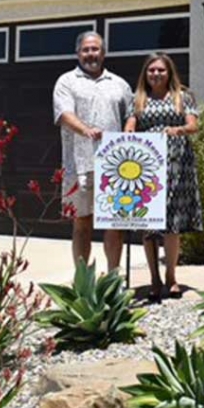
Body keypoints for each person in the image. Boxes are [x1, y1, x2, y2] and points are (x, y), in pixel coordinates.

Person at [124, 53, 203, 301]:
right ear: (145, 74)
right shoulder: (138, 99)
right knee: (148, 224)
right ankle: (154, 278)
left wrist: (176, 130)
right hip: (148, 168)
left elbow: (193, 125)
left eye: (160, 70)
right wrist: (128, 137)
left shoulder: (183, 96)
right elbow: (130, 125)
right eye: (151, 70)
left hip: (178, 165)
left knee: (172, 224)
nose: (156, 74)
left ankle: (170, 276)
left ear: (169, 73)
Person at [53, 32, 133, 272]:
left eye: (95, 49)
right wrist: (86, 130)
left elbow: (131, 114)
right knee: (81, 223)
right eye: (86, 50)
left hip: (114, 166)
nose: (91, 54)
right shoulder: (67, 81)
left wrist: (129, 130)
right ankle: (82, 279)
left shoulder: (119, 84)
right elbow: (64, 115)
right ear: (78, 53)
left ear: (103, 53)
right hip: (79, 165)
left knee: (114, 223)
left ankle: (113, 278)